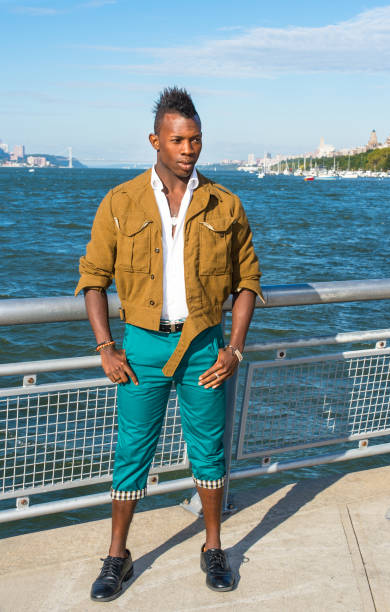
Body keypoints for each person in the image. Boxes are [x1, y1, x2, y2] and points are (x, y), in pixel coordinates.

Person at [75, 86, 263, 602]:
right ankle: (117, 555)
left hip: (205, 347)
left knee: (209, 452)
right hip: (142, 348)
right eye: (179, 140)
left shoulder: (225, 203)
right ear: (155, 139)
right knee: (131, 452)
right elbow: (93, 277)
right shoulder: (120, 201)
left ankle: (214, 547)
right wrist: (105, 346)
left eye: (196, 140)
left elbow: (248, 281)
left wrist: (235, 350)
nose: (189, 150)